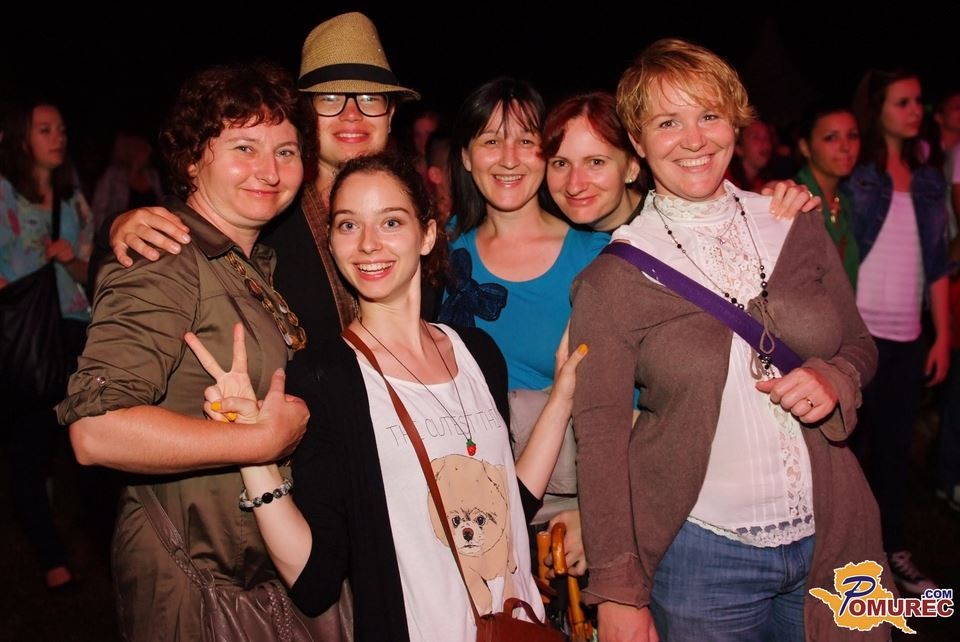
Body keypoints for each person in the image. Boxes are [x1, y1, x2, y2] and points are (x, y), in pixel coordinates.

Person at [184, 152, 586, 641]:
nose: (368, 244)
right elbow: (314, 579)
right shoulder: (326, 377)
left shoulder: (479, 353)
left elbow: (509, 508)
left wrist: (562, 396)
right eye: (348, 225)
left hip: (516, 628)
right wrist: (253, 452)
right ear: (332, 242)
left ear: (427, 235)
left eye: (390, 222)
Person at [570, 38, 889, 641]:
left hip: (834, 536)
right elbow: (602, 442)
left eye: (710, 115)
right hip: (702, 562)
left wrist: (833, 378)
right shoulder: (612, 280)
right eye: (668, 122)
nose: (694, 139)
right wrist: (617, 591)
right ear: (637, 141)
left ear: (735, 124)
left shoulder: (793, 221)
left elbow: (859, 344)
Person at [56, 62, 317, 640]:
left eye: (286, 151)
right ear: (193, 159)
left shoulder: (246, 261)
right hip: (191, 581)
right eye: (244, 147)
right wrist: (262, 441)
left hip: (245, 574)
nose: (269, 170)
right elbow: (96, 431)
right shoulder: (167, 255)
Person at [107, 11, 418, 343]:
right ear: (305, 115)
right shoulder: (268, 210)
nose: (352, 114)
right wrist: (118, 226)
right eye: (330, 99)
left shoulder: (416, 213)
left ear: (390, 115)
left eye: (371, 98)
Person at [849, 68, 950, 595]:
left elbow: (937, 264)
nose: (915, 111)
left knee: (893, 454)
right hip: (858, 338)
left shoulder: (929, 180)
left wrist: (942, 337)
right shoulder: (858, 173)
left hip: (908, 339)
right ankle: (849, 558)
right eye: (903, 102)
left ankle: (893, 551)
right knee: (848, 454)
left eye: (918, 101)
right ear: (878, 108)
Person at [0, 98, 92, 592]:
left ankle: (95, 534)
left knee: (85, 435)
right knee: (30, 446)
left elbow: (91, 272)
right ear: (21, 138)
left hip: (73, 329)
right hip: (23, 335)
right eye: (44, 129)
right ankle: (50, 554)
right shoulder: (3, 194)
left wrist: (71, 258)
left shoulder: (72, 199)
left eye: (61, 128)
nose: (58, 137)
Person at [542, 92, 819, 234]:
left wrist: (779, 203)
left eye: (595, 162)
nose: (574, 184)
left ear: (632, 166)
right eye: (560, 164)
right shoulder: (553, 243)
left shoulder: (676, 228)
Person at [795, 103, 861, 287]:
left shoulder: (846, 202)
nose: (846, 147)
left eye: (852, 135)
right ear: (805, 147)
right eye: (831, 138)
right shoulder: (795, 198)